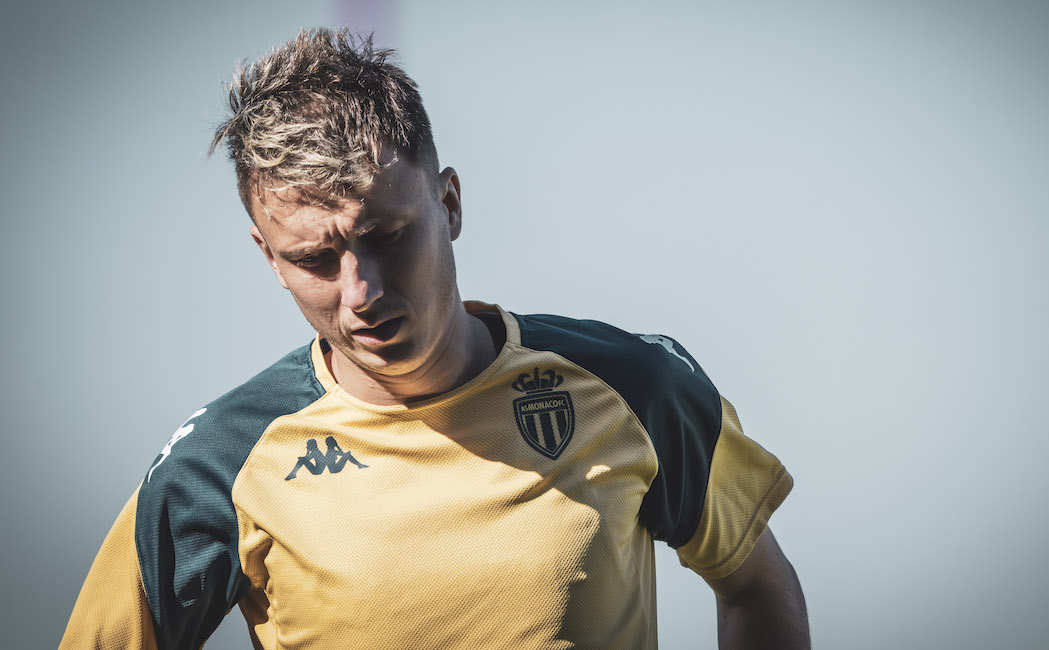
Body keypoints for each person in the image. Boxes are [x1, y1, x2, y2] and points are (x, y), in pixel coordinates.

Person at [61, 28, 809, 649]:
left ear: (449, 203)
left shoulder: (633, 386)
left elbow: (754, 586)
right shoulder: (219, 465)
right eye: (315, 260)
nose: (361, 293)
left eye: (387, 236)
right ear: (269, 257)